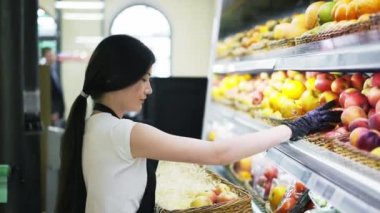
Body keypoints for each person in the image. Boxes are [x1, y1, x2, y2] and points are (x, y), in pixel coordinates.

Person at [56, 35, 342, 213]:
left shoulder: (93, 125)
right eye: (143, 78)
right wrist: (295, 127)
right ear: (113, 79)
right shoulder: (123, 133)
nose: (149, 89)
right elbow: (217, 153)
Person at [41, 47, 65, 127]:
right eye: (49, 56)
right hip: (52, 114)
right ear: (44, 58)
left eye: (52, 55)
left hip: (59, 112)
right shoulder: (44, 74)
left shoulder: (55, 70)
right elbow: (46, 94)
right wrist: (52, 111)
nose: (51, 57)